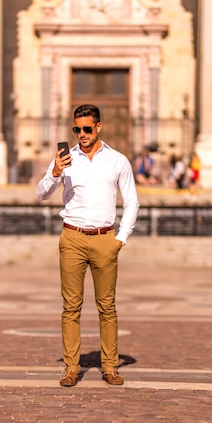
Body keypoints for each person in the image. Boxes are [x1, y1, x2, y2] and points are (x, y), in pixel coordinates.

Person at [37, 104, 139, 387]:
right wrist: (55, 172)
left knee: (107, 306)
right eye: (76, 129)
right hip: (72, 238)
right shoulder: (65, 159)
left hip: (106, 238)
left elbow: (132, 201)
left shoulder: (117, 161)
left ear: (99, 127)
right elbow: (42, 194)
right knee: (71, 307)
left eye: (86, 129)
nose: (81, 134)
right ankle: (72, 368)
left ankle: (110, 367)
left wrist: (120, 239)